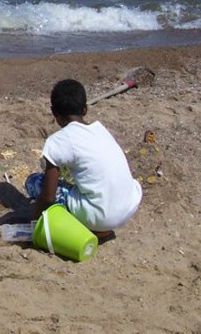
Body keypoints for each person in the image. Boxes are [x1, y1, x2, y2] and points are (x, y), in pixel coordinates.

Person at [25, 79, 142, 242]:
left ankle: (92, 228)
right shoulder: (101, 130)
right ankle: (101, 226)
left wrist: (33, 223)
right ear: (85, 109)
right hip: (128, 207)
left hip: (100, 216)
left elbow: (48, 197)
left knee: (34, 182)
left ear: (54, 112)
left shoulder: (57, 141)